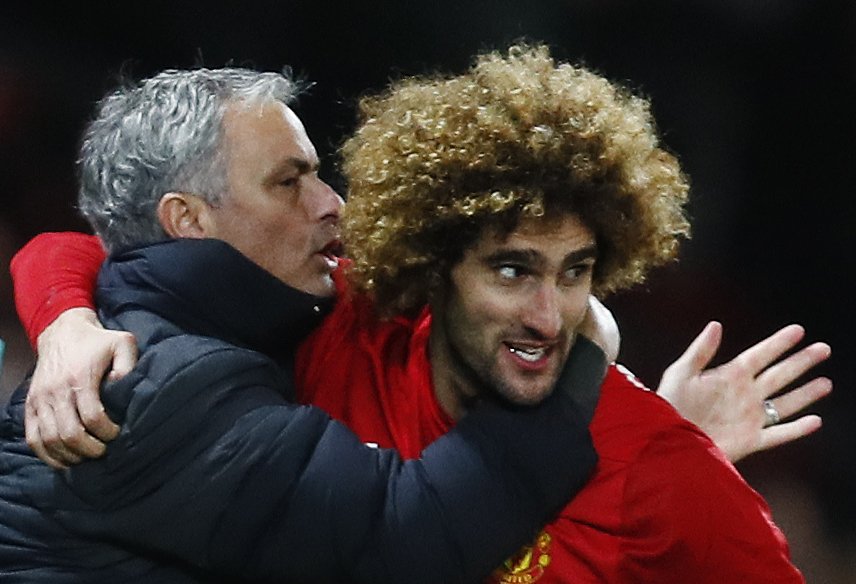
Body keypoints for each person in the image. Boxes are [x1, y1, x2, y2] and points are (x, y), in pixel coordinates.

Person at [9, 47, 830, 580]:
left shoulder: (662, 468)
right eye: (511, 270)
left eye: (577, 274)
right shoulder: (296, 336)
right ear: (431, 269)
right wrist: (65, 323)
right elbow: (405, 540)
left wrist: (655, 442)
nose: (550, 313)